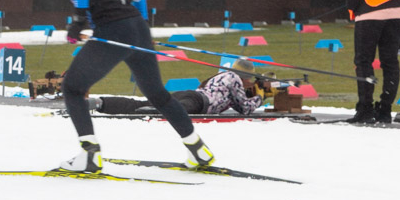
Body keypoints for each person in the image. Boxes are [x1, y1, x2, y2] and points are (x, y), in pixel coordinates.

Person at [42, 0, 214, 172]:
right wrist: (142, 25)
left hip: (112, 27)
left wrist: (79, 20)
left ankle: (89, 155)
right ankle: (198, 150)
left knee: (72, 88)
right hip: (134, 23)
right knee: (157, 94)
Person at [95, 58, 270, 117]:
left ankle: (101, 103)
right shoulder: (235, 79)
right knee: (171, 111)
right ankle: (152, 112)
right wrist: (261, 96)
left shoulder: (224, 76)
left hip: (191, 95)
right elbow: (245, 109)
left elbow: (236, 103)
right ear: (245, 77)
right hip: (198, 103)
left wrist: (253, 93)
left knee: (140, 103)